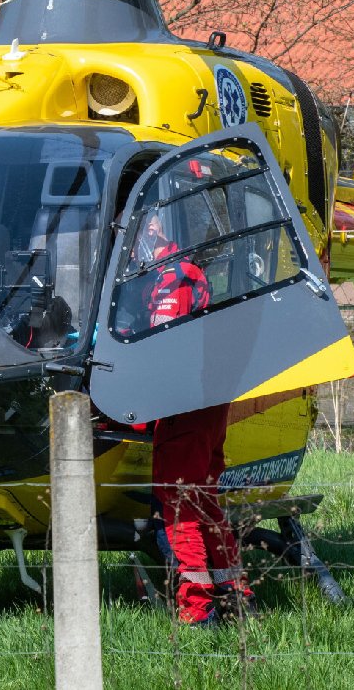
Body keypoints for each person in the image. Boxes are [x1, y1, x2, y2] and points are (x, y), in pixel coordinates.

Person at [130, 211, 252, 626]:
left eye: (147, 224)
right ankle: (236, 595)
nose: (140, 235)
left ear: (159, 227)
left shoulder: (173, 277)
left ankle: (197, 610)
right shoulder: (175, 274)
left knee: (179, 504)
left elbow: (165, 351)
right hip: (204, 400)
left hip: (185, 405)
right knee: (202, 499)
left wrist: (135, 411)